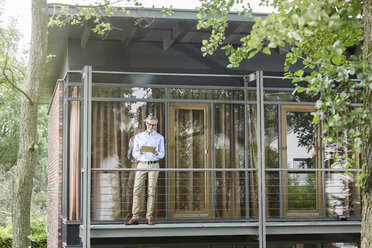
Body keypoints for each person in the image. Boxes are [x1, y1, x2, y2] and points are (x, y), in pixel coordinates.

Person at [125, 114, 164, 225]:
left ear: (156, 125)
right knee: (136, 190)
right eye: (149, 124)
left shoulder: (160, 138)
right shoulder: (139, 137)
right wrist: (141, 151)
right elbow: (134, 153)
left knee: (151, 192)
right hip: (141, 164)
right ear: (146, 124)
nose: (151, 126)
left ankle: (149, 217)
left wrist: (156, 153)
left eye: (153, 125)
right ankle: (135, 217)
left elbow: (162, 154)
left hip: (153, 164)